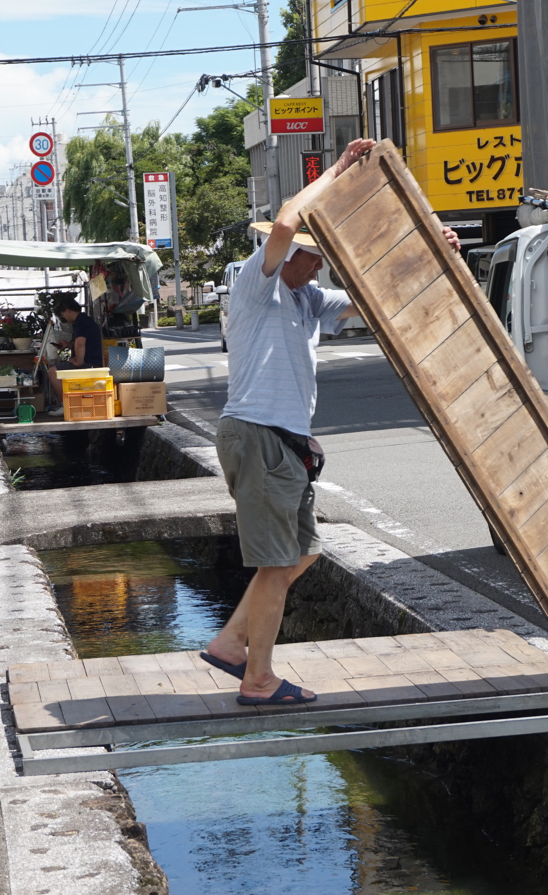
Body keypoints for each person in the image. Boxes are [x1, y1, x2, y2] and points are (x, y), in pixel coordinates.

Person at [198, 139, 461, 705]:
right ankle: (258, 678)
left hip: (286, 443)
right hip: (258, 434)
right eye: (311, 254)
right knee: (275, 565)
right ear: (286, 254)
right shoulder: (255, 284)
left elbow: (378, 298)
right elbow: (289, 223)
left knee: (305, 552)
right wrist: (338, 171)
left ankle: (230, 642)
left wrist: (433, 255)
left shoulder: (306, 300)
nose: (317, 263)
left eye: (320, 256)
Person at [46, 296, 104, 415]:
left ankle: (66, 406)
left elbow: (81, 343)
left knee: (52, 371)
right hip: (95, 361)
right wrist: (69, 345)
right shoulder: (86, 320)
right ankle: (72, 404)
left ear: (68, 310)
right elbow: (81, 343)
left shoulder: (80, 323)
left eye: (63, 314)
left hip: (89, 363)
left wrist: (79, 361)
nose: (64, 317)